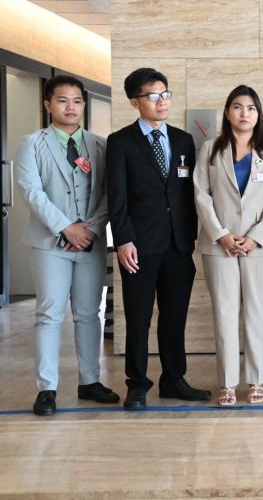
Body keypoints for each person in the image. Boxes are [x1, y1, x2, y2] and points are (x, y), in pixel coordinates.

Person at [16, 75, 119, 416]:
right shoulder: (32, 143)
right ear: (48, 105)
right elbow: (31, 192)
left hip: (90, 241)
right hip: (50, 243)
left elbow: (109, 193)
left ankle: (90, 381)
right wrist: (66, 228)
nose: (71, 107)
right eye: (62, 100)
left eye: (76, 100)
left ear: (84, 104)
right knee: (49, 314)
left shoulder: (99, 145)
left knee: (89, 313)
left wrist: (90, 229)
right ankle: (46, 389)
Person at [106, 67, 209, 410]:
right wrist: (123, 240)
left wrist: (192, 237)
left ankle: (173, 379)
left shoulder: (183, 140)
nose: (162, 101)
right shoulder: (120, 142)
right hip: (139, 246)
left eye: (165, 94)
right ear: (134, 101)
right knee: (138, 319)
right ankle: (137, 385)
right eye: (153, 96)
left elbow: (188, 193)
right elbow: (116, 197)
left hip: (178, 245)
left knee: (175, 316)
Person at [194, 85, 263, 406]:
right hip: (219, 245)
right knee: (225, 313)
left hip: (259, 246)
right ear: (227, 112)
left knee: (257, 313)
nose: (244, 113)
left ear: (258, 114)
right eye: (237, 106)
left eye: (251, 108)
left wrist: (256, 236)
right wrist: (221, 234)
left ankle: (256, 380)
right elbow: (201, 194)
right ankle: (228, 383)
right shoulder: (211, 148)